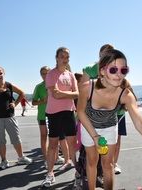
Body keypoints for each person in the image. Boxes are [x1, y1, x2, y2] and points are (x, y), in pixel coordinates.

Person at [77, 49, 142, 190]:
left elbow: (140, 122)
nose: (119, 75)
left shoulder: (125, 94)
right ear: (102, 71)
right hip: (88, 126)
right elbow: (80, 112)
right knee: (92, 161)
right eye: (113, 70)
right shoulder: (87, 88)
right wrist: (95, 136)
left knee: (108, 164)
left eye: (123, 70)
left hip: (110, 127)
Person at [81, 44, 125, 175]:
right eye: (105, 54)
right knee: (93, 151)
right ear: (100, 56)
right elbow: (82, 90)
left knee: (116, 141)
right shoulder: (89, 69)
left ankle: (113, 164)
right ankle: (92, 174)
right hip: (93, 116)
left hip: (116, 113)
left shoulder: (117, 69)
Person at [41, 47, 79, 187]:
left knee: (72, 144)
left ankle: (79, 171)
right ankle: (50, 174)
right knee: (52, 145)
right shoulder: (51, 74)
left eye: (67, 56)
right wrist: (70, 93)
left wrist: (64, 93)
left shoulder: (70, 75)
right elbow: (55, 95)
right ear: (56, 57)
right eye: (62, 56)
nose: (65, 58)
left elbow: (77, 94)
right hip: (53, 113)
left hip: (68, 111)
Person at [0, 66, 33, 170]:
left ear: (4, 74)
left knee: (16, 138)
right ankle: (4, 161)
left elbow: (22, 93)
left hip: (10, 117)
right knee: (0, 141)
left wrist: (15, 103)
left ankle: (21, 157)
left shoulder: (9, 85)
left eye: (0, 73)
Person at [32, 66, 69, 169]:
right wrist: (42, 101)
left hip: (55, 114)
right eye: (43, 73)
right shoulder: (39, 87)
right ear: (41, 75)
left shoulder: (56, 84)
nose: (45, 75)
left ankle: (56, 157)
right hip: (43, 115)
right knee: (44, 136)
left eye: (47, 73)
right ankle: (46, 158)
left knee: (55, 137)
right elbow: (33, 102)